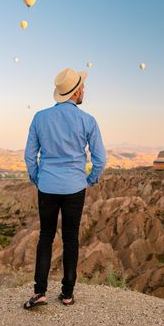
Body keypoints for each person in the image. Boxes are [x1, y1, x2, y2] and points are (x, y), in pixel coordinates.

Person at [23, 67, 106, 309]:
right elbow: (100, 159)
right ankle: (67, 294)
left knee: (45, 237)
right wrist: (89, 180)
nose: (84, 91)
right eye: (82, 88)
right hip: (74, 188)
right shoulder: (88, 120)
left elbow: (30, 156)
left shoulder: (39, 117)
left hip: (47, 186)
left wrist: (39, 178)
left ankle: (39, 293)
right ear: (77, 91)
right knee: (71, 238)